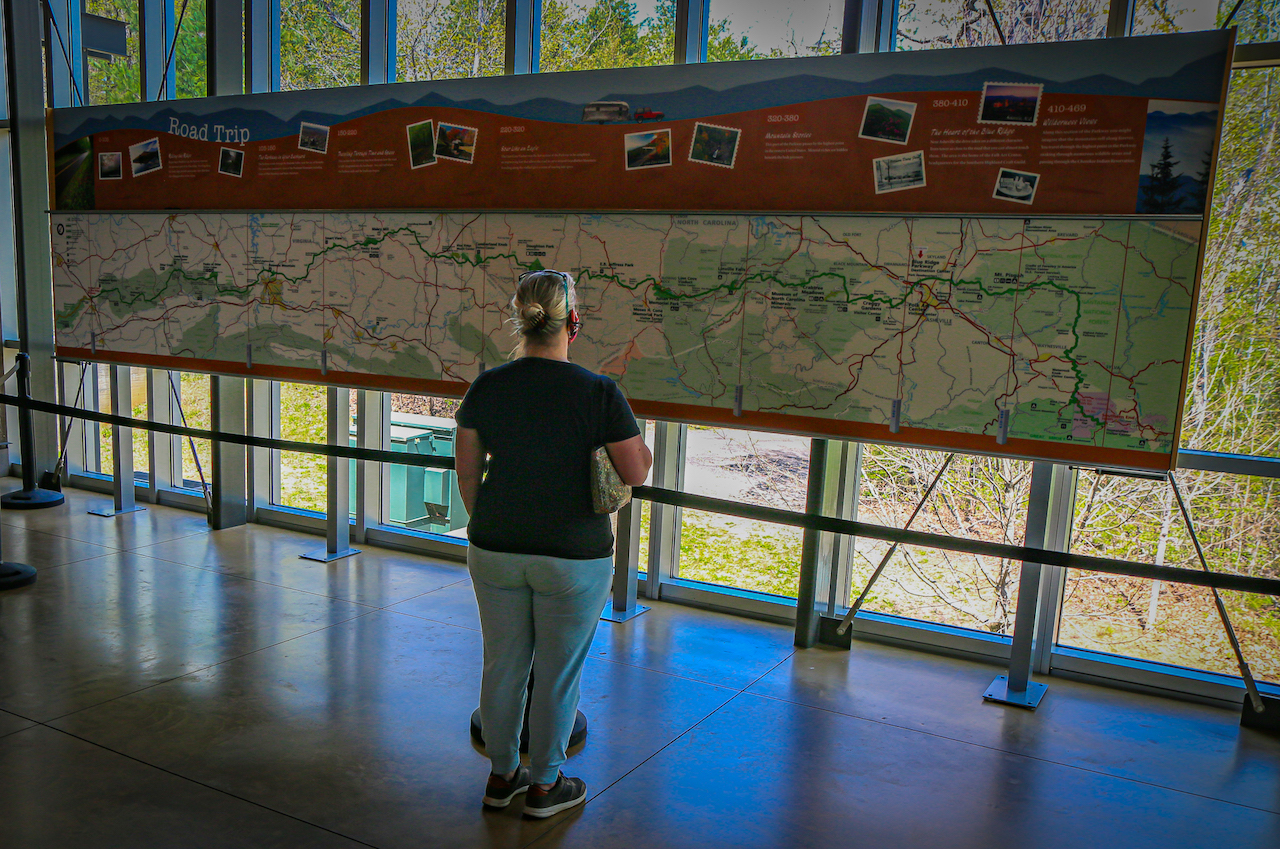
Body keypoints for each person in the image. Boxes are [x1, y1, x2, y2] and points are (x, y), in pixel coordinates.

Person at [454, 269, 652, 819]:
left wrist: (489, 522)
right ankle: (545, 785)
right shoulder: (598, 392)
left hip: (495, 546)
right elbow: (634, 472)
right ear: (574, 322)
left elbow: (467, 472)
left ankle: (501, 777)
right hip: (574, 554)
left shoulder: (487, 387)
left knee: (503, 666)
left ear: (520, 321)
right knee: (559, 675)